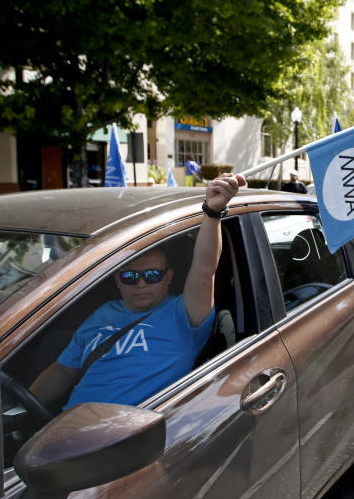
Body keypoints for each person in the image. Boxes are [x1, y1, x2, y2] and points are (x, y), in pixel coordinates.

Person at [30, 173, 245, 412]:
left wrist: (212, 213)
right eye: (130, 277)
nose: (141, 284)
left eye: (152, 275)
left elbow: (204, 271)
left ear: (169, 278)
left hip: (130, 433)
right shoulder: (102, 314)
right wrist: (18, 413)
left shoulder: (182, 313)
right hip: (68, 429)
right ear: (117, 281)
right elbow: (63, 370)